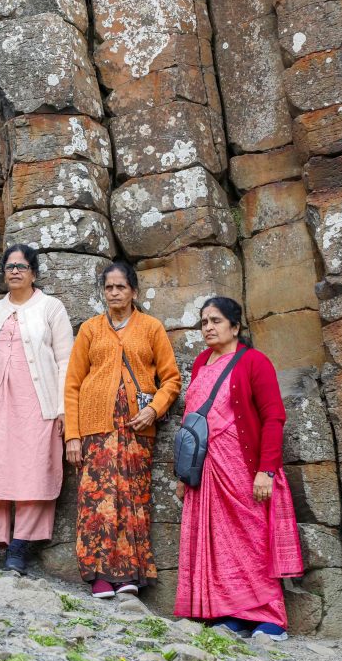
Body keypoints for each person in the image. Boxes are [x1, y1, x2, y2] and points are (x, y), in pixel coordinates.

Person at [174, 297, 303, 641]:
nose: (208, 328)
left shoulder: (254, 362)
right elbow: (192, 420)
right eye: (203, 322)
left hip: (243, 469)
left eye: (216, 321)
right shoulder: (202, 362)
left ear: (235, 326)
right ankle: (230, 614)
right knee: (217, 542)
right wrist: (183, 473)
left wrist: (267, 470)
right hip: (206, 470)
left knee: (252, 539)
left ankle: (269, 616)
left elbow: (274, 417)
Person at [63, 261, 181, 598]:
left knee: (132, 500)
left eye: (121, 287)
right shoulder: (90, 329)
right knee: (95, 501)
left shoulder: (151, 328)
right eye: (109, 287)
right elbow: (72, 385)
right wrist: (73, 434)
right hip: (95, 430)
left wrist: (154, 410)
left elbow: (171, 379)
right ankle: (99, 575)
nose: (114, 293)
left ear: (134, 292)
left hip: (135, 431)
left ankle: (128, 573)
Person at [0, 244, 74, 574]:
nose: (14, 271)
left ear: (34, 273)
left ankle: (20, 546)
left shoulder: (51, 308)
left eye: (21, 266)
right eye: (9, 266)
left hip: (37, 405)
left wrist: (63, 409)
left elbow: (66, 360)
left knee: (34, 470)